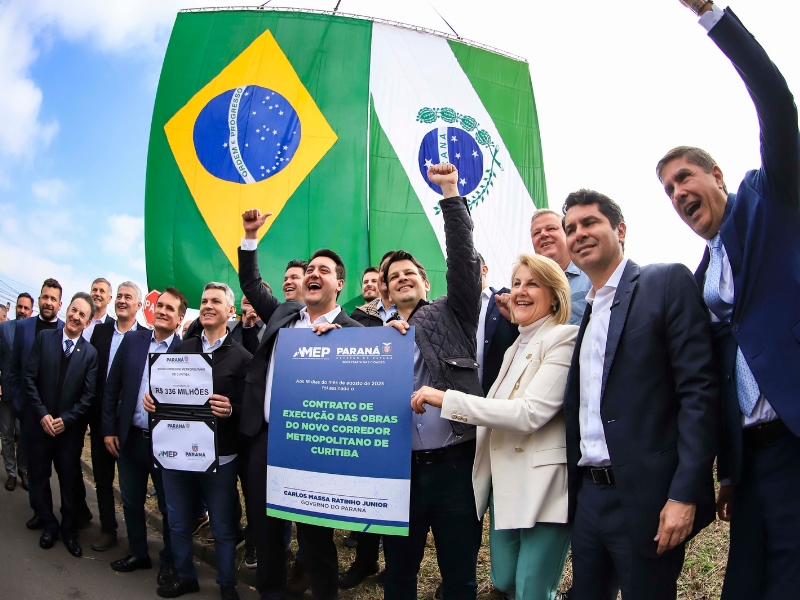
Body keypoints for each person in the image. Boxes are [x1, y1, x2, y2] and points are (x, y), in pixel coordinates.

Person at [655, 4, 800, 598]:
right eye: (668, 191)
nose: (679, 193)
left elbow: (776, 101)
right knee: (744, 583)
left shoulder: (770, 201)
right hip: (754, 460)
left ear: (717, 174)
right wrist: (731, 471)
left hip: (795, 434)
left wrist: (713, 16)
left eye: (685, 177)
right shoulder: (701, 274)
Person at [561, 189, 719, 600]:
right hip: (590, 496)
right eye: (571, 228)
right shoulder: (589, 312)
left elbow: (699, 392)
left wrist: (683, 493)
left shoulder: (664, 282)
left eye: (590, 222)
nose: (579, 233)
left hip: (647, 497)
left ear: (621, 229)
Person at [412, 253, 577, 600]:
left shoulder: (563, 338)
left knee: (532, 590)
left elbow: (527, 413)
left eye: (533, 283)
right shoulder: (516, 345)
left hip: (543, 488)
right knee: (504, 581)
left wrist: (448, 400)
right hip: (505, 488)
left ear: (556, 294)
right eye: (516, 282)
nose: (520, 290)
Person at [238, 208, 362, 600]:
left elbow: (365, 392)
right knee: (267, 530)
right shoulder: (284, 313)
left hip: (315, 445)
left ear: (339, 284)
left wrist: (341, 344)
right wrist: (250, 235)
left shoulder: (355, 332)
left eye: (324, 270)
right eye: (310, 268)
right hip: (266, 439)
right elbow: (250, 281)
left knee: (315, 537)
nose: (313, 273)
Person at [380, 163, 483, 600]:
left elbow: (463, 259)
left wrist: (450, 193)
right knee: (399, 576)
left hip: (455, 468)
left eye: (411, 274)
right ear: (383, 293)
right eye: (393, 277)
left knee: (459, 576)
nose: (403, 278)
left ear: (426, 283)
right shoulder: (373, 339)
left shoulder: (452, 312)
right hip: (398, 473)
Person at [144, 282, 251, 600]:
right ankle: (185, 575)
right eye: (204, 300)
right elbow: (167, 393)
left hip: (221, 459)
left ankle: (227, 583)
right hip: (177, 455)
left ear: (229, 311)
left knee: (221, 526)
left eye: (215, 301)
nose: (207, 305)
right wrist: (153, 402)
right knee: (177, 520)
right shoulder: (182, 350)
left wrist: (231, 408)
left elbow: (250, 410)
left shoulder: (242, 357)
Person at [101, 288, 186, 585]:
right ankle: (138, 553)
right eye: (159, 305)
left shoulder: (186, 351)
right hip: (130, 438)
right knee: (132, 500)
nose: (162, 311)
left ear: (180, 318)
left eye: (170, 308)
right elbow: (112, 387)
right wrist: (109, 429)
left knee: (169, 507)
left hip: (167, 443)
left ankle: (170, 561)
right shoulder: (133, 341)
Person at [24, 292, 98, 557]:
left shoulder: (90, 354)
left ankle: (69, 529)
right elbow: (30, 378)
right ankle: (49, 523)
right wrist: (43, 414)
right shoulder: (45, 339)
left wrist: (65, 421)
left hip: (68, 433)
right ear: (67, 309)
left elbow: (88, 396)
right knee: (38, 477)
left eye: (82, 315)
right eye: (74, 310)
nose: (76, 317)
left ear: (88, 323)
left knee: (69, 482)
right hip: (39, 426)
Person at [5, 279, 70, 530]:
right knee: (35, 469)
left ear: (59, 304)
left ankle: (66, 517)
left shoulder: (66, 330)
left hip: (55, 416)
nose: (48, 302)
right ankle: (40, 512)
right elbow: (15, 368)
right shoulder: (23, 328)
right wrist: (19, 404)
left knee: (59, 470)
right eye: (45, 297)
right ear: (39, 299)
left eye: (53, 299)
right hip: (29, 411)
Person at [87, 281, 145, 552]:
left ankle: (138, 542)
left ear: (139, 305)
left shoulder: (146, 337)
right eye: (119, 296)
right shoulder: (99, 332)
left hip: (132, 426)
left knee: (132, 487)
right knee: (102, 479)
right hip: (101, 419)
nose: (122, 300)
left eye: (128, 297)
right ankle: (108, 529)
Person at [530, 209, 591, 326]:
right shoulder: (529, 287)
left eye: (551, 228)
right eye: (536, 233)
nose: (543, 234)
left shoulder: (592, 275)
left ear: (567, 233)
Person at [0, 292, 34, 492]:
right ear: (16, 308)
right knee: (6, 434)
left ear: (31, 311)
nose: (22, 310)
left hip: (26, 395)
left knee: (23, 435)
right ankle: (11, 473)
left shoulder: (36, 332)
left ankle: (23, 470)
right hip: (6, 393)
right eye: (19, 307)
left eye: (26, 308)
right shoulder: (4, 328)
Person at [350, 251, 396, 327]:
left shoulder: (403, 309)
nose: (369, 284)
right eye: (365, 282)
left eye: (374, 281)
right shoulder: (356, 315)